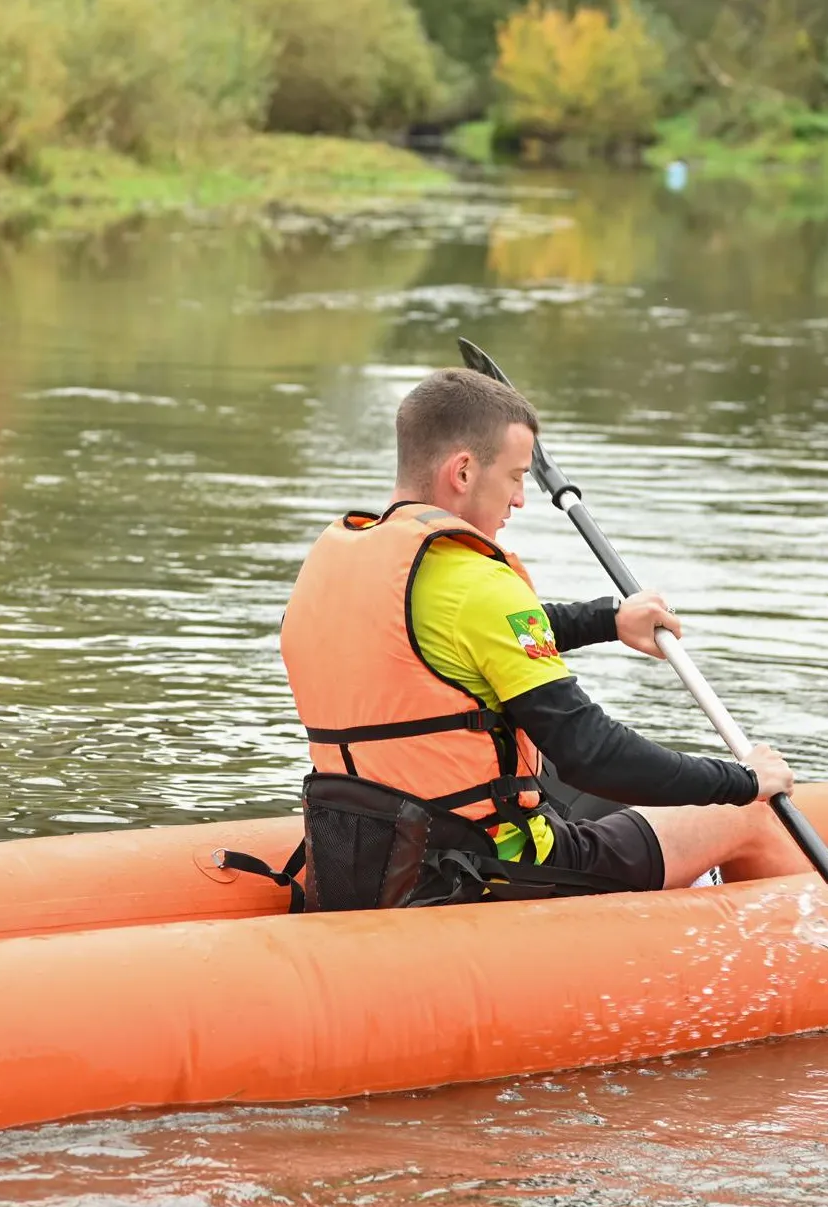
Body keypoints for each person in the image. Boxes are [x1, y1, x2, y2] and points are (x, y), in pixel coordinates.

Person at [257, 368, 808, 911]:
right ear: (464, 472)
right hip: (481, 866)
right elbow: (593, 751)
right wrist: (742, 779)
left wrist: (607, 620)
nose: (520, 499)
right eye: (516, 475)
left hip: (365, 851)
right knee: (750, 817)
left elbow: (456, 642)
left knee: (552, 775)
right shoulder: (478, 582)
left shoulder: (337, 567)